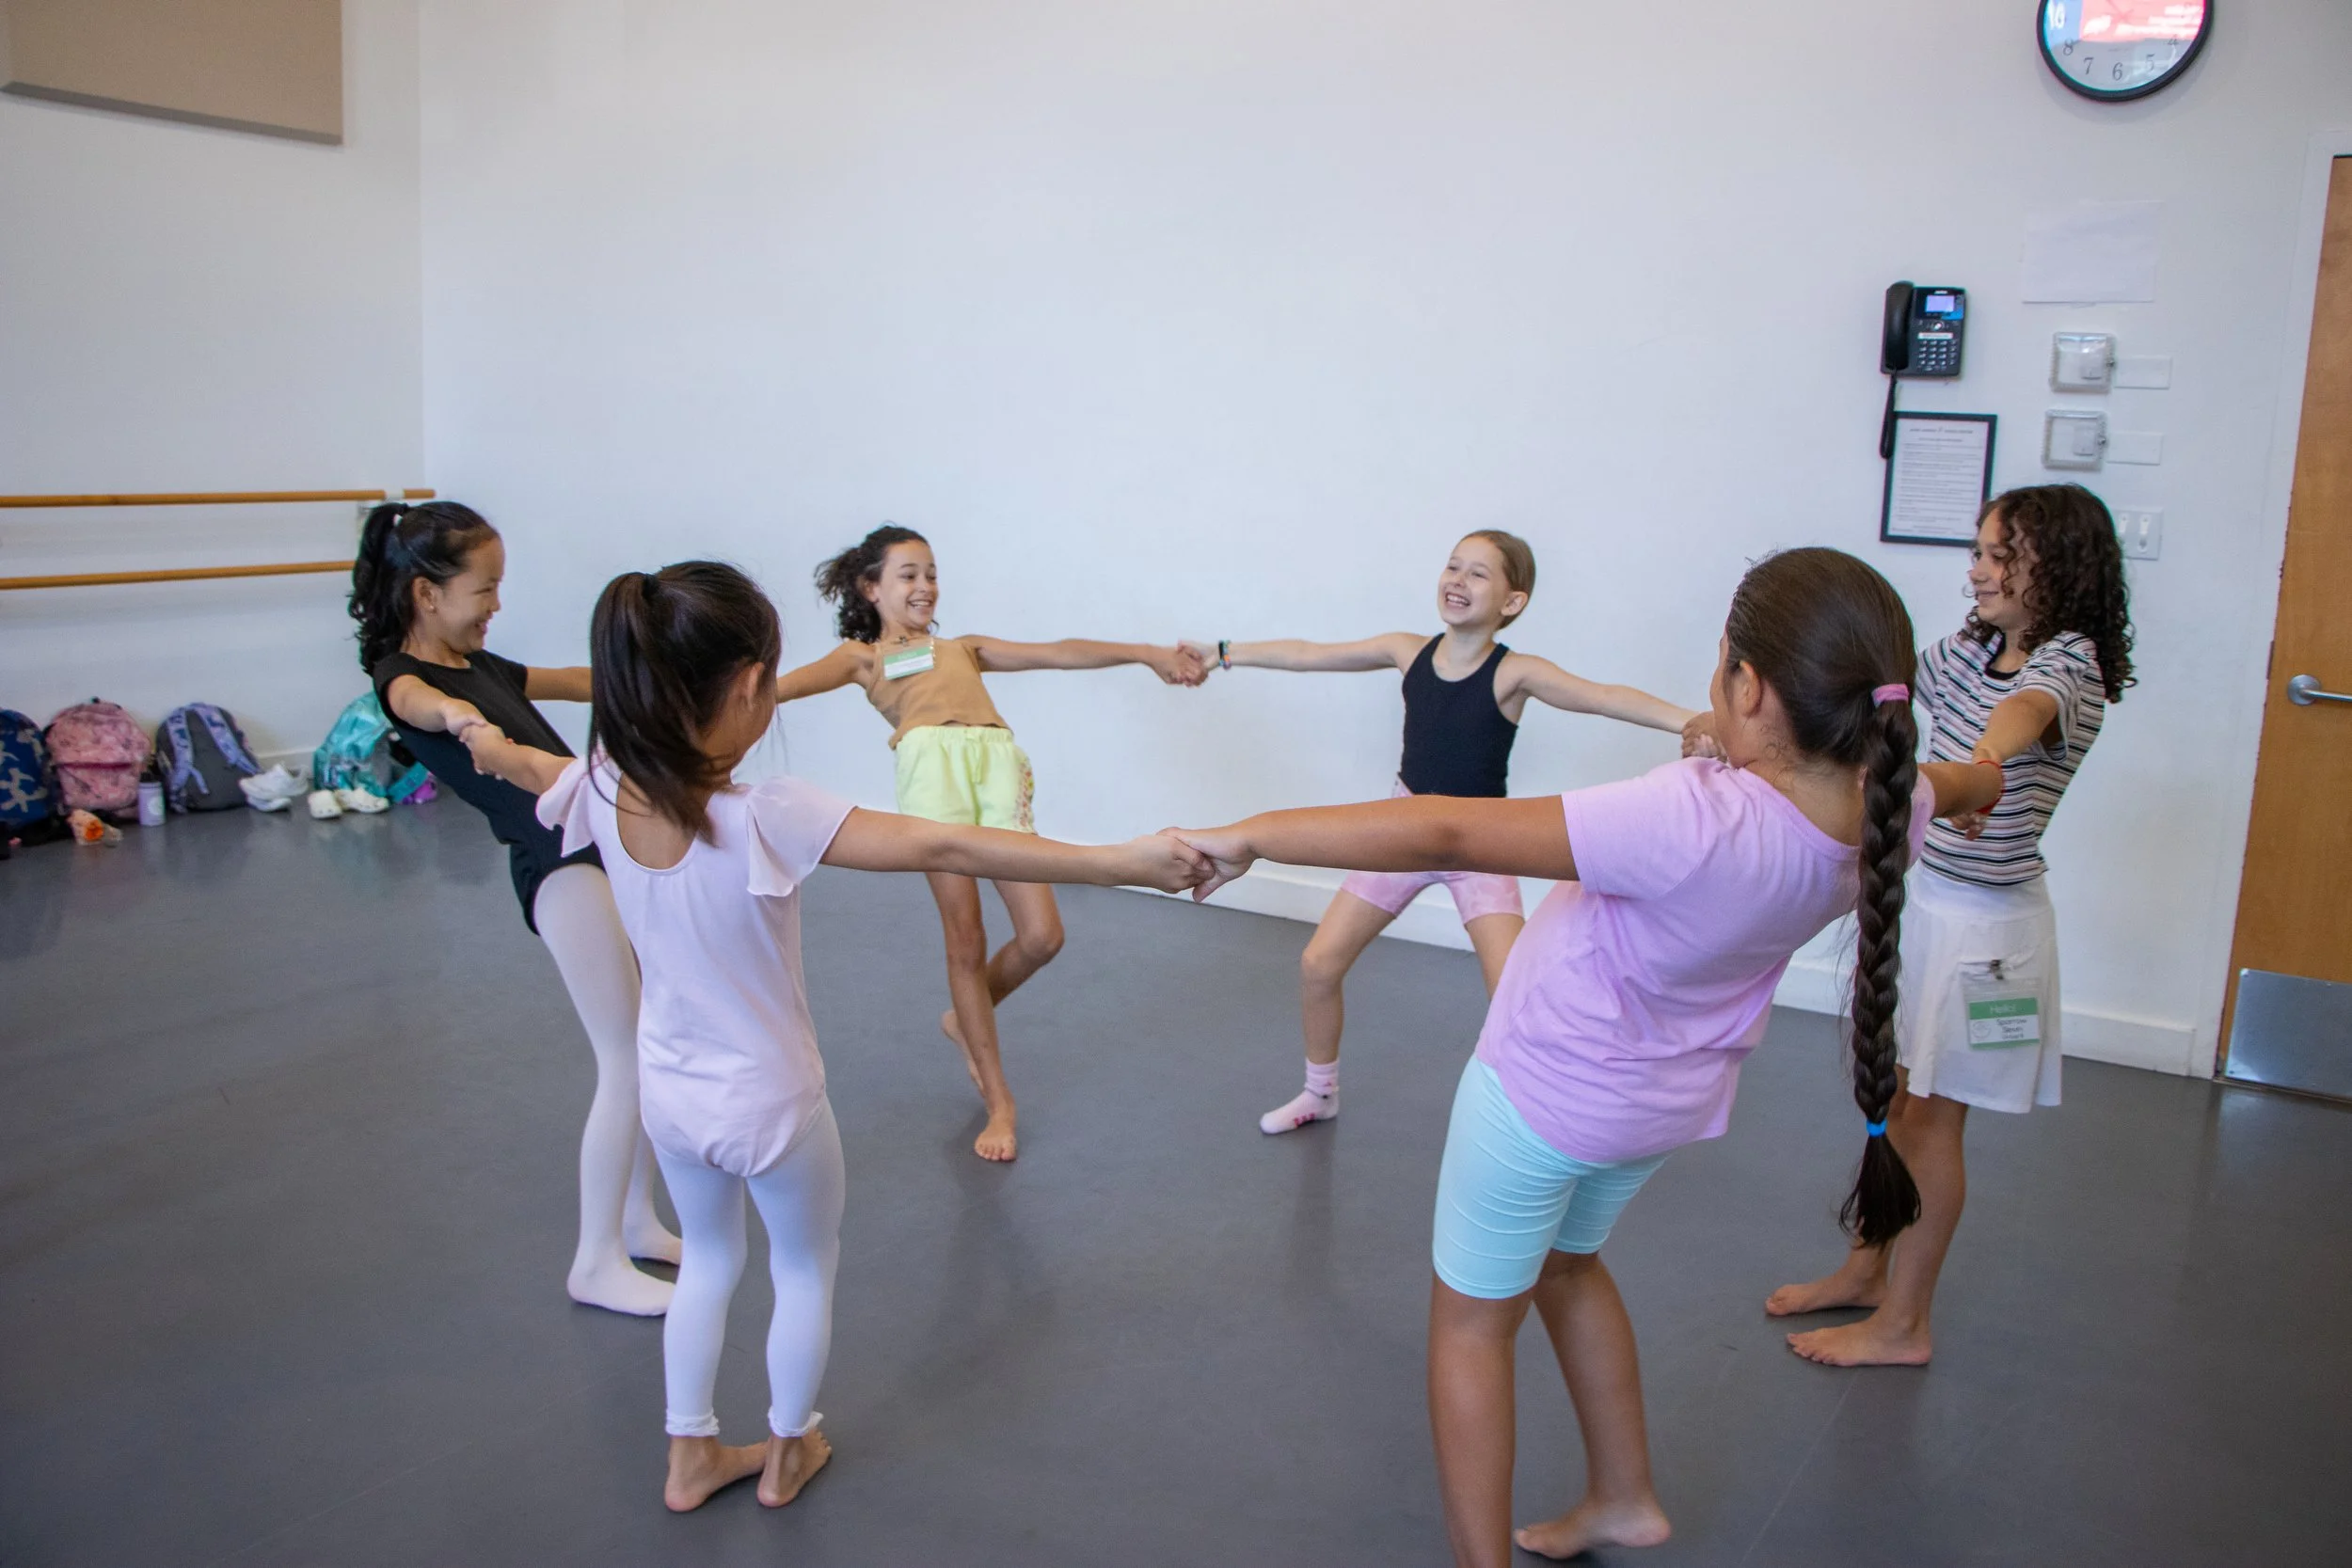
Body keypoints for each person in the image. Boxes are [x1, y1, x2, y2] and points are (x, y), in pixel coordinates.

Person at [1169, 547, 2003, 1566]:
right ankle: (1623, 1493)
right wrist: (1983, 781)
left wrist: (1251, 834)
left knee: (1472, 1326)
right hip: (1661, 1106)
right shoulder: (1888, 809)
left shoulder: (1695, 816)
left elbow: (1446, 826)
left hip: (1542, 1094)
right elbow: (1961, 779)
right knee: (1568, 1264)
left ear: (1747, 684)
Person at [461, 561, 1209, 1512]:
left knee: (713, 1263)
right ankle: (788, 1445)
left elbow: (532, 768)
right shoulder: (766, 812)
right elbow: (945, 843)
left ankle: (689, 1456)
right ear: (744, 689)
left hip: (674, 1099)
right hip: (774, 1102)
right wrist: (1118, 860)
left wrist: (481, 734)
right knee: (804, 1266)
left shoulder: (605, 786)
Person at [1769, 485, 2133, 1367]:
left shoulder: (2069, 660)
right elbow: (1889, 691)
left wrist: (1980, 765)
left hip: (1991, 943)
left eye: (1994, 554)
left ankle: (1904, 1324)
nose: (1974, 571)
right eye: (1977, 551)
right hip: (1931, 907)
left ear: (2052, 563)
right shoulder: (1974, 646)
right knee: (1895, 1103)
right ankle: (1866, 1269)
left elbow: (2026, 713)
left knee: (1934, 1125)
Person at [1181, 531, 1699, 1133]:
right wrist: (1220, 652)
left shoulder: (1515, 673)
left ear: (1512, 602)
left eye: (1479, 574)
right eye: (1453, 566)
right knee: (1319, 962)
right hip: (1400, 831)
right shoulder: (1407, 650)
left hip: (1480, 843)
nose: (1458, 580)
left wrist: (1694, 721)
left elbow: (1604, 697)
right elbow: (1308, 652)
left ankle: (1538, 1116)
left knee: (1511, 991)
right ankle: (1319, 1092)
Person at [774, 524, 1206, 1162]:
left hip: (998, 767)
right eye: (908, 575)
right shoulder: (860, 658)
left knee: (1042, 935)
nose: (924, 586)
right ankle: (1000, 1100)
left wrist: (1145, 651)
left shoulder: (964, 648)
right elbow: (777, 690)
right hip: (931, 776)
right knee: (966, 938)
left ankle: (964, 1016)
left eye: (931, 573)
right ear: (871, 587)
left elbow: (1059, 651)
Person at [353, 499, 677, 1317]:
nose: (496, 604)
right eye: (484, 588)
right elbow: (420, 707)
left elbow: (580, 681)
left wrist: (681, 673)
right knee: (625, 1058)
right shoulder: (408, 678)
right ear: (427, 594)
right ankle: (595, 1259)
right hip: (557, 867)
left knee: (645, 1042)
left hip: (594, 849)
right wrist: (463, 722)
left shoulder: (486, 667)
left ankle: (636, 1219)